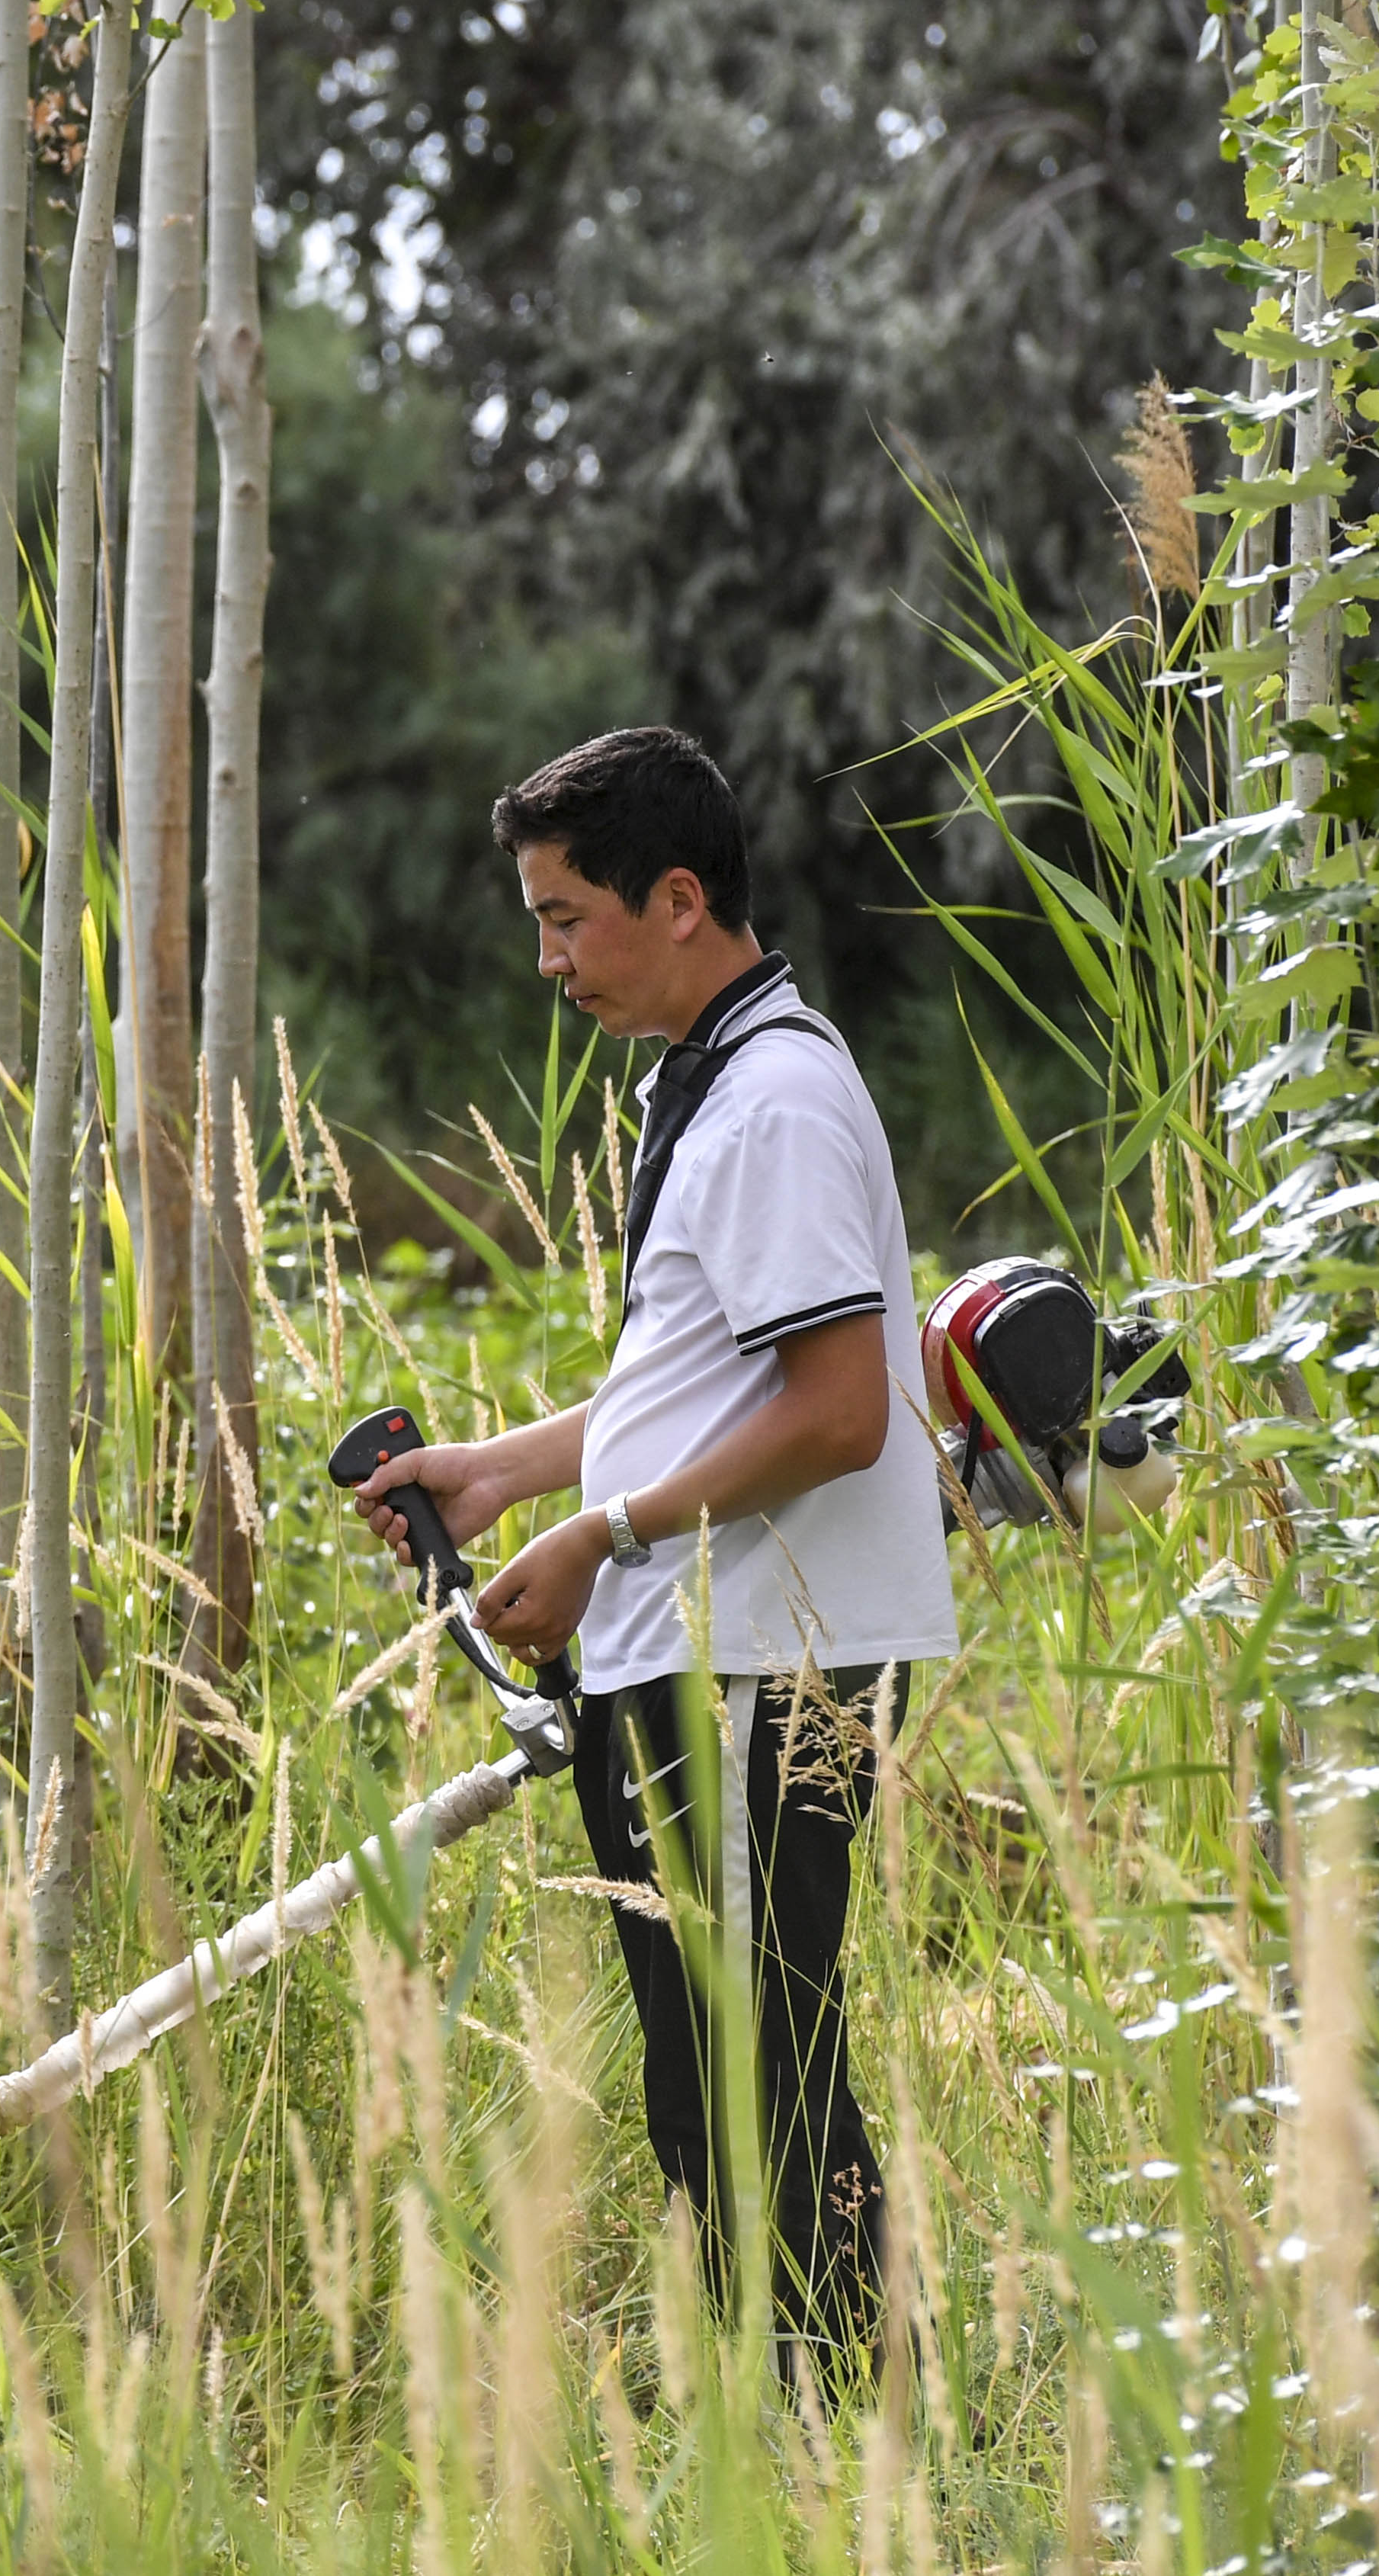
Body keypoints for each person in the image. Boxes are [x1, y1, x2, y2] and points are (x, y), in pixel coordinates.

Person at [345, 726, 956, 2383]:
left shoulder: (773, 1105)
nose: (546, 958)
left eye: (567, 917)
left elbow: (840, 1414)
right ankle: (808, 2447)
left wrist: (604, 1528)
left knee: (760, 2073)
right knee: (711, 2082)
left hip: (763, 1660)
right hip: (697, 1649)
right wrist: (502, 1472)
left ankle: (857, 2461)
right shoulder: (706, 1076)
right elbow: (696, 1382)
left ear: (678, 898)